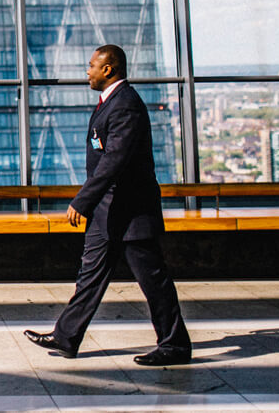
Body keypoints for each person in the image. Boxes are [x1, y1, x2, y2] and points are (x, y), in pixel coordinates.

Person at [24, 44, 192, 366]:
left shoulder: (125, 105)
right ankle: (66, 336)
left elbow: (114, 160)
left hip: (130, 213)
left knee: (153, 280)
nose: (86, 72)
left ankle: (175, 345)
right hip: (107, 212)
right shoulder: (111, 103)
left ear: (109, 69)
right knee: (89, 276)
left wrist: (82, 200)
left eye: (91, 66)